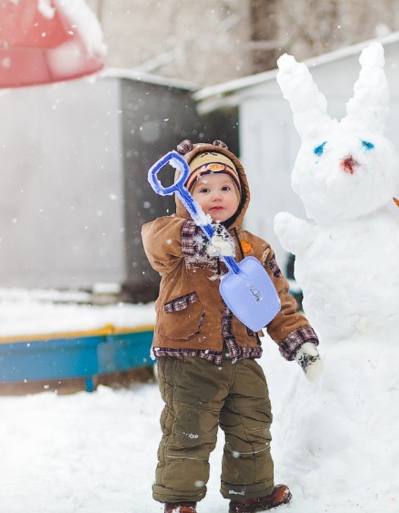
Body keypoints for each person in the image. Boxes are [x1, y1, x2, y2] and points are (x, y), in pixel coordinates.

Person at [142, 139, 323, 513]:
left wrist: (298, 341)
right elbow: (156, 240)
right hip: (188, 354)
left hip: (242, 354)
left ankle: (250, 493)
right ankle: (180, 501)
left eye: (226, 187)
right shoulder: (175, 237)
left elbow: (275, 301)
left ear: (241, 195)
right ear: (187, 196)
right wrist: (198, 239)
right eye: (204, 189)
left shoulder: (254, 249)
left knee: (252, 423)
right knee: (189, 429)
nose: (216, 196)